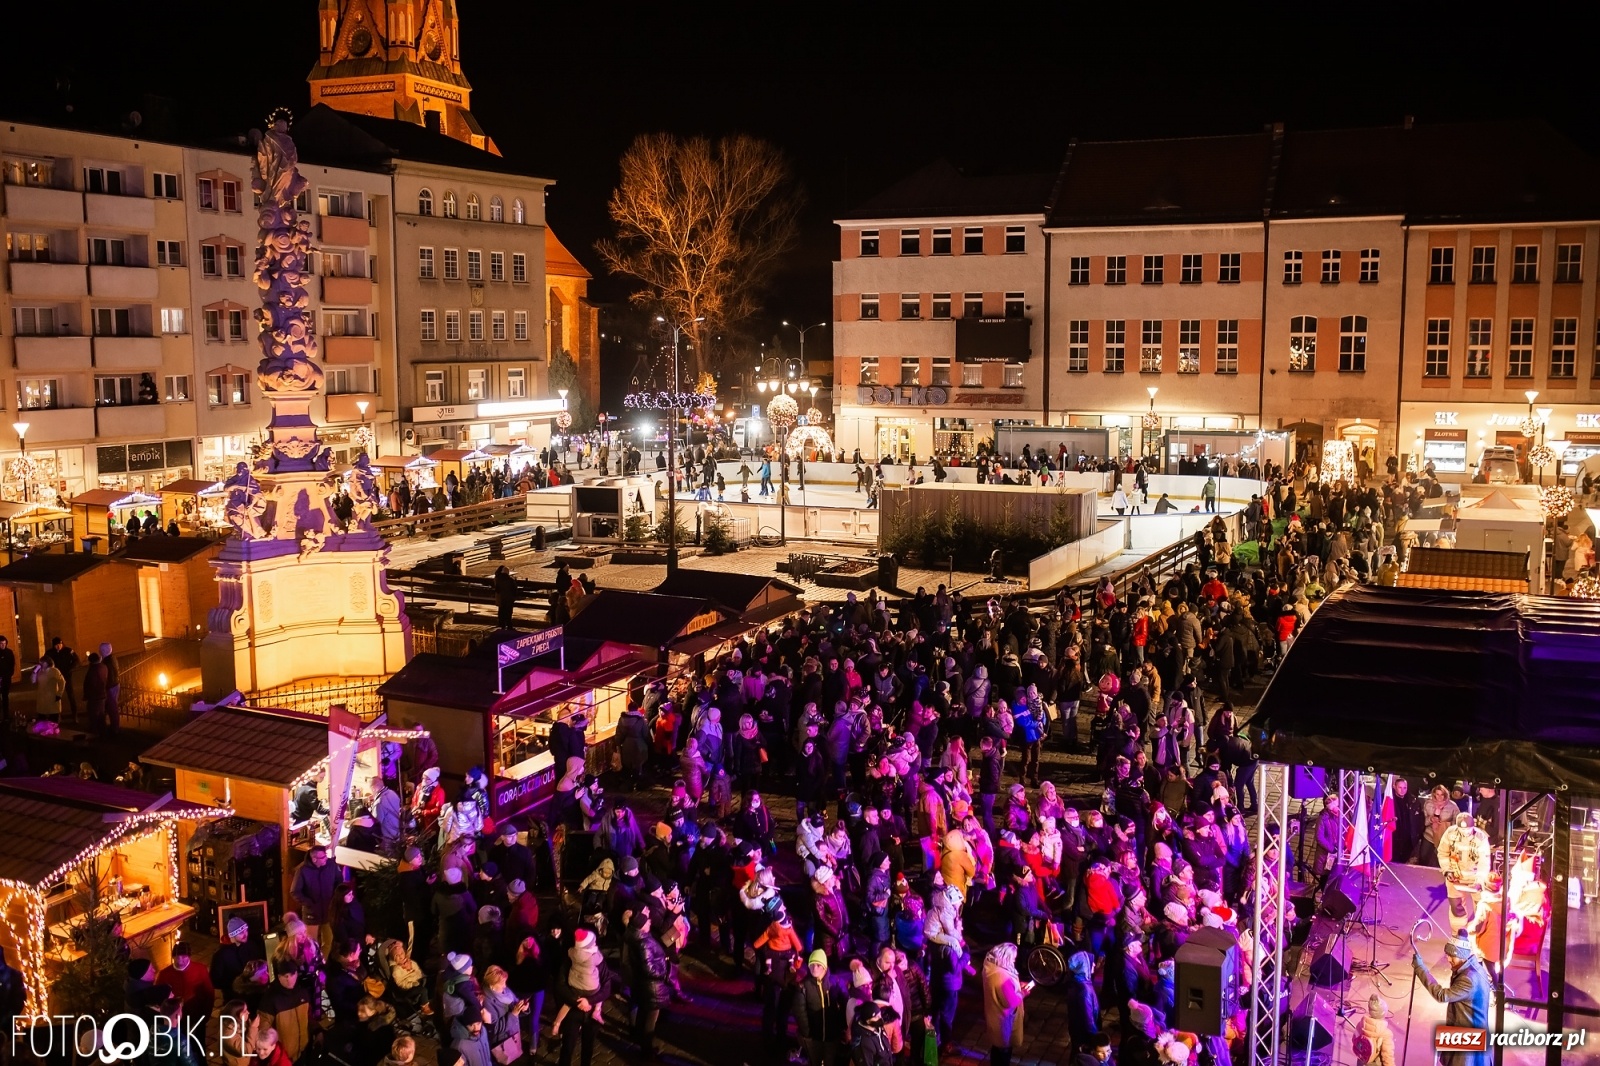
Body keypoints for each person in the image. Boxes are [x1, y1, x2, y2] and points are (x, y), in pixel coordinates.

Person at [1411, 932, 1491, 1066]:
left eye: (1451, 956)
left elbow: (1442, 995)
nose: (1448, 959)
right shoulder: (1474, 967)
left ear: (1462, 956)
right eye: (1447, 955)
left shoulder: (1468, 979)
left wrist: (1420, 968)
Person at [982, 942, 1029, 1066]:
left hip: (994, 1016)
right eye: (1013, 959)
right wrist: (1023, 993)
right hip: (1004, 1021)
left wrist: (1017, 985)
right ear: (1006, 958)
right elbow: (1011, 1001)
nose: (1014, 962)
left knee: (996, 1048)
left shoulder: (991, 967)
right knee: (1003, 1053)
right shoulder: (1002, 977)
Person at [0, 636, 14, 729]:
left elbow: (12, 664)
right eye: (1, 644)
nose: (3, 645)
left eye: (4, 643)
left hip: (6, 678)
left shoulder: (9, 652)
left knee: (5, 697)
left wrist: (9, 675)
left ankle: (6, 716)